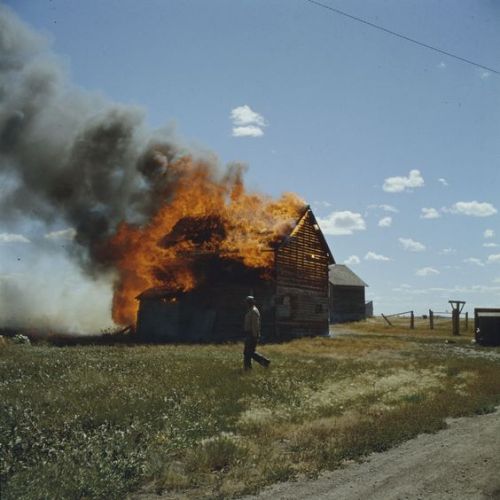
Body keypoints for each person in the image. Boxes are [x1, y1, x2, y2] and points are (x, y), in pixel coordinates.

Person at [243, 296, 270, 370]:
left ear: (252, 302)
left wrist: (255, 336)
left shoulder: (254, 311)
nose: (247, 303)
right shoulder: (250, 310)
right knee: (248, 352)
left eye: (248, 301)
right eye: (247, 301)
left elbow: (255, 325)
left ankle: (248, 368)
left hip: (252, 334)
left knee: (248, 352)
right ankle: (264, 362)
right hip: (249, 333)